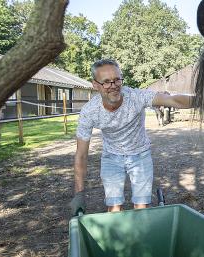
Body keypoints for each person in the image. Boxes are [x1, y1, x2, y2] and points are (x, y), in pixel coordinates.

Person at [69, 59, 194, 215]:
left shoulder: (136, 97)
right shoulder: (89, 112)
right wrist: (79, 193)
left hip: (140, 155)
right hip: (111, 157)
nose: (113, 86)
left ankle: (140, 237)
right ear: (95, 85)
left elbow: (172, 99)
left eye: (117, 80)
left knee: (142, 208)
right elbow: (81, 155)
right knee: (114, 209)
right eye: (106, 82)